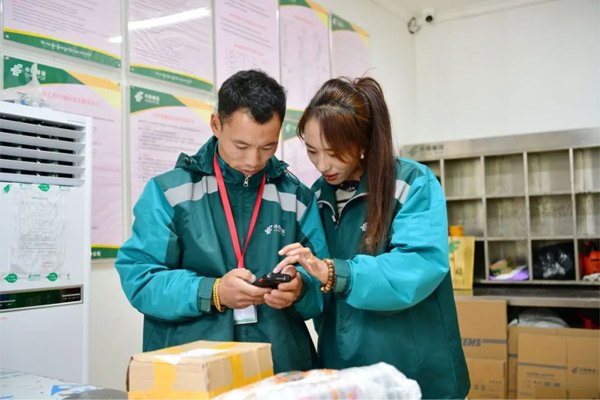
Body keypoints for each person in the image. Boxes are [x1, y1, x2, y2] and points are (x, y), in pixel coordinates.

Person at [115, 69, 328, 373]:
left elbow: (322, 285)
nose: (253, 160)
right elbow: (140, 278)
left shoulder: (297, 198)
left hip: (279, 367)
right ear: (216, 124)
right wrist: (212, 292)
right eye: (241, 146)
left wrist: (300, 289)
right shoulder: (169, 192)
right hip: (194, 369)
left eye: (268, 147)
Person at [275, 77, 470, 398]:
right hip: (345, 373)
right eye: (312, 150)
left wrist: (336, 273)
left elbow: (418, 266)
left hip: (414, 373)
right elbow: (318, 292)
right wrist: (298, 288)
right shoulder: (316, 197)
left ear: (362, 143)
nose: (322, 164)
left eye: (334, 152)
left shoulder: (412, 184)